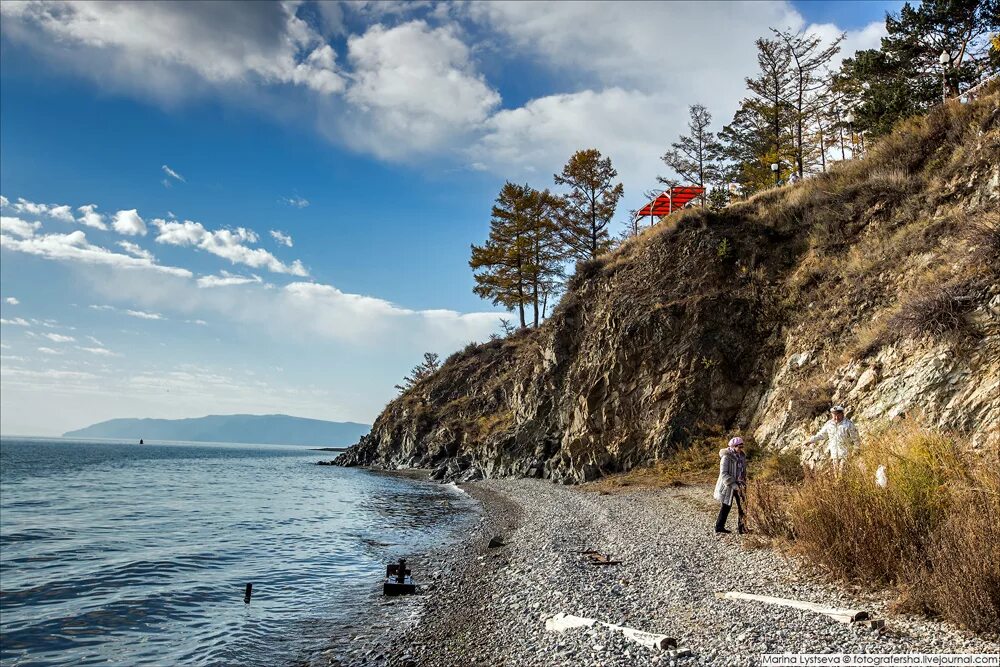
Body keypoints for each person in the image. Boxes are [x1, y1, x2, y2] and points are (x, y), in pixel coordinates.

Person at [806, 405, 860, 474]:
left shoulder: (848, 425)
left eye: (838, 415)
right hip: (834, 455)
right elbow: (821, 435)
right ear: (832, 415)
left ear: (842, 414)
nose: (836, 418)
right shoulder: (829, 424)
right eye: (834, 415)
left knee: (842, 475)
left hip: (846, 455)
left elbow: (856, 439)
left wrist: (856, 450)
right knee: (836, 475)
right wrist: (811, 440)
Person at [714, 436, 747, 534]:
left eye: (742, 446)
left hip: (741, 484)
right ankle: (719, 527)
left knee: (744, 506)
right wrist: (734, 484)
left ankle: (742, 528)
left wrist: (744, 481)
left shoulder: (742, 456)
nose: (741, 449)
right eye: (739, 447)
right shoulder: (726, 457)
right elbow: (724, 474)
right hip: (729, 486)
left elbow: (743, 470)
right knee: (726, 506)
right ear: (733, 446)